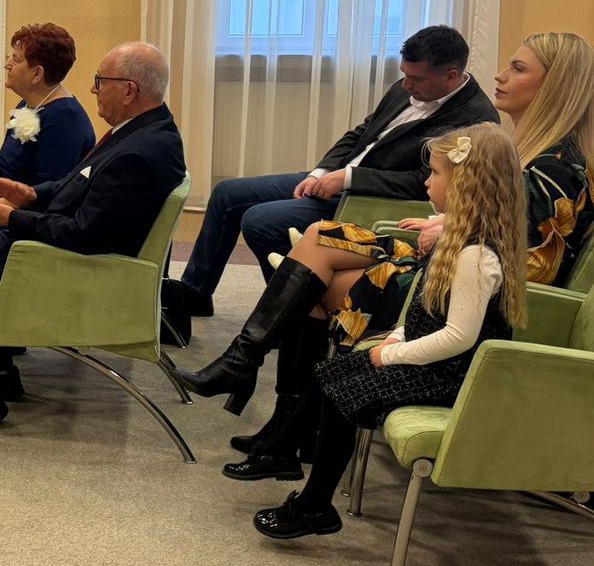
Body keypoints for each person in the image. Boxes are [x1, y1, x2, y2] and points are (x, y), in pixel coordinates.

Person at [176, 32, 594, 462]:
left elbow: (523, 263)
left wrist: (449, 230)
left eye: (518, 68)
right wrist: (446, 223)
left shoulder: (556, 167)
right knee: (318, 237)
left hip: (458, 286)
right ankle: (267, 394)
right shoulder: (526, 146)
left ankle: (273, 405)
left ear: (556, 85)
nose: (500, 75)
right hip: (441, 258)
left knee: (316, 282)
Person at [244, 124, 528, 538]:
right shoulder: (457, 238)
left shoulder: (476, 255)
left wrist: (391, 354)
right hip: (437, 362)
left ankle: (313, 504)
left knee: (343, 392)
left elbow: (459, 337)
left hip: (456, 376)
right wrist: (397, 336)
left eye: (435, 174)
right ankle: (287, 458)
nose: (427, 182)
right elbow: (425, 309)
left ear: (464, 185)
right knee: (331, 375)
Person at [0, 42, 186, 431]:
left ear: (128, 90)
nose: (92, 88)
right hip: (74, 255)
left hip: (78, 272)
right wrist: (27, 197)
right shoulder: (144, 131)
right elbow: (77, 183)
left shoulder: (136, 153)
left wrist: (14, 218)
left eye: (100, 80)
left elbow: (84, 235)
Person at [171, 25, 498, 318]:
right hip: (339, 178)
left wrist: (348, 178)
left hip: (368, 199)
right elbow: (363, 132)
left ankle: (294, 313)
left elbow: (421, 183)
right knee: (227, 193)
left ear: (451, 76)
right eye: (405, 75)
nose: (406, 84)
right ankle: (194, 296)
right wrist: (321, 172)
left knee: (260, 221)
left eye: (416, 79)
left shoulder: (475, 121)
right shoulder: (409, 86)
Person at [0, 23, 95, 247]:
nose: (7, 64)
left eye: (16, 59)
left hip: (35, 220)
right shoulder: (28, 105)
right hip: (10, 207)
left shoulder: (66, 120)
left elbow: (49, 189)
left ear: (37, 73)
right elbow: (4, 165)